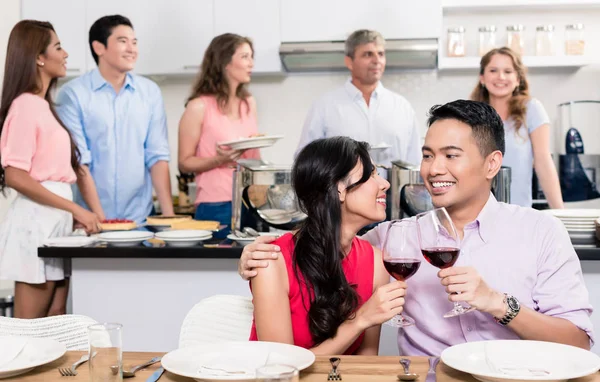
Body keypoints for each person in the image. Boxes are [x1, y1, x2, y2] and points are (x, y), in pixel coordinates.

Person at [239, 100, 593, 356]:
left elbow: (578, 343)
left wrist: (498, 303)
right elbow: (327, 239)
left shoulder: (541, 233)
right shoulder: (393, 242)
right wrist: (252, 255)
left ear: (491, 164)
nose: (433, 169)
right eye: (427, 155)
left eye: (451, 155)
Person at [250, 136, 406, 355]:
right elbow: (280, 368)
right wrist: (359, 321)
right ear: (339, 188)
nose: (385, 183)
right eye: (371, 174)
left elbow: (366, 362)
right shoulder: (271, 261)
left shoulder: (376, 263)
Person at [0, 20, 101, 318]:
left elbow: (72, 169)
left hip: (54, 223)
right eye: (58, 47)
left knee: (55, 323)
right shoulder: (26, 105)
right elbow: (15, 175)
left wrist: (78, 215)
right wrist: (77, 209)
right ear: (39, 57)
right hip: (36, 225)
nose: (66, 53)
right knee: (30, 332)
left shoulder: (43, 106)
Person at [56, 15, 173, 224]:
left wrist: (170, 217)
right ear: (99, 48)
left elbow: (157, 157)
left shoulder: (150, 92)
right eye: (122, 41)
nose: (132, 49)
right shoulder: (73, 94)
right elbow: (79, 161)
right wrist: (100, 219)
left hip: (140, 220)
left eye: (134, 42)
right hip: (90, 220)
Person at [296, 29, 422, 170]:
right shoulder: (325, 106)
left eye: (380, 54)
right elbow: (304, 161)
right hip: (342, 191)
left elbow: (415, 162)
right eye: (368, 54)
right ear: (349, 62)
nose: (376, 60)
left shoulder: (402, 107)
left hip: (395, 191)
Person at [178, 33, 260, 238]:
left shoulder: (248, 103)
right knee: (214, 267)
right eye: (244, 57)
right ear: (225, 62)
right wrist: (218, 160)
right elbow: (184, 163)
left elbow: (255, 157)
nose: (251, 63)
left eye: (251, 57)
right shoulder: (199, 107)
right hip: (214, 205)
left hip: (250, 202)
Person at [471, 47, 563, 208]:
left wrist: (560, 212)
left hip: (519, 211)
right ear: (482, 78)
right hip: (476, 212)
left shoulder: (532, 109)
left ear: (518, 79)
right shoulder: (471, 114)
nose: (501, 77)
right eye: (493, 70)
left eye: (508, 71)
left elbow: (543, 161)